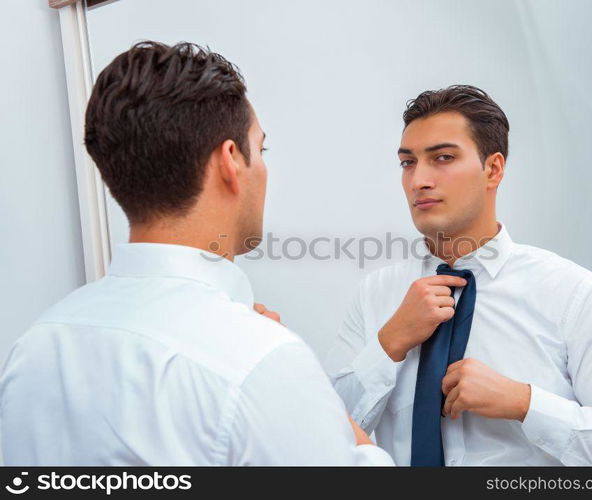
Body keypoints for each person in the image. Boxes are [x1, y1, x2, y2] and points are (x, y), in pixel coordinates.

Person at [0, 41, 392, 466]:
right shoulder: (259, 361)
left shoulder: (35, 347)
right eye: (261, 150)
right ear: (230, 161)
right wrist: (309, 395)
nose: (263, 168)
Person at [324, 85, 592, 466]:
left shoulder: (572, 295)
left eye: (442, 157)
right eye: (408, 163)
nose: (418, 180)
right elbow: (320, 438)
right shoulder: (376, 295)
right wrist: (389, 343)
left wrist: (526, 403)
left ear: (492, 169)